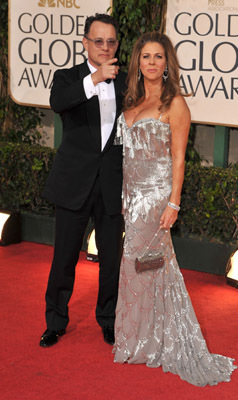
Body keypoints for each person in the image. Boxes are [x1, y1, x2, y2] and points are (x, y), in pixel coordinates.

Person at [112, 32, 237, 386]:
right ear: (138, 62)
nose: (152, 62)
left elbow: (178, 160)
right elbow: (126, 157)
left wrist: (173, 203)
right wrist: (124, 195)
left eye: (158, 57)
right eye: (146, 56)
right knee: (139, 269)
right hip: (133, 199)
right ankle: (140, 338)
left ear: (167, 64)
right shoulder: (132, 101)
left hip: (156, 200)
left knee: (147, 266)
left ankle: (156, 341)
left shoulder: (175, 104)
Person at [40, 14, 126, 348]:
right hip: (73, 182)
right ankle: (55, 321)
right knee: (63, 258)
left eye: (111, 41)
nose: (106, 47)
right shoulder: (67, 78)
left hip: (111, 184)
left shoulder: (125, 83)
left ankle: (108, 320)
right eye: (99, 41)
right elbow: (58, 103)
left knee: (110, 260)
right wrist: (95, 79)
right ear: (85, 43)